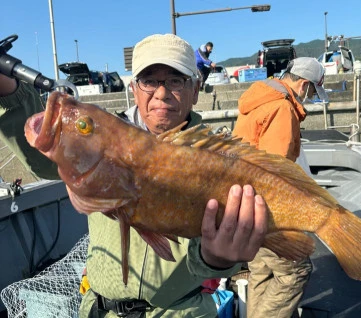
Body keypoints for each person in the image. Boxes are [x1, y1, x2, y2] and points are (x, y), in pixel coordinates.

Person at [0, 33, 268, 318]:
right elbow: (42, 154)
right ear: (134, 88)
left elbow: (221, 253)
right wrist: (7, 88)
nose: (162, 93)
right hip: (98, 310)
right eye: (149, 80)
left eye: (176, 80)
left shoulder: (220, 161)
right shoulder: (100, 143)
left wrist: (217, 261)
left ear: (196, 90)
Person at [232, 57, 329, 318]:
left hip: (246, 204)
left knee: (262, 270)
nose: (311, 97)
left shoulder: (259, 100)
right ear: (304, 85)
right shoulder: (283, 109)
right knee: (295, 272)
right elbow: (277, 172)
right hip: (267, 210)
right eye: (312, 92)